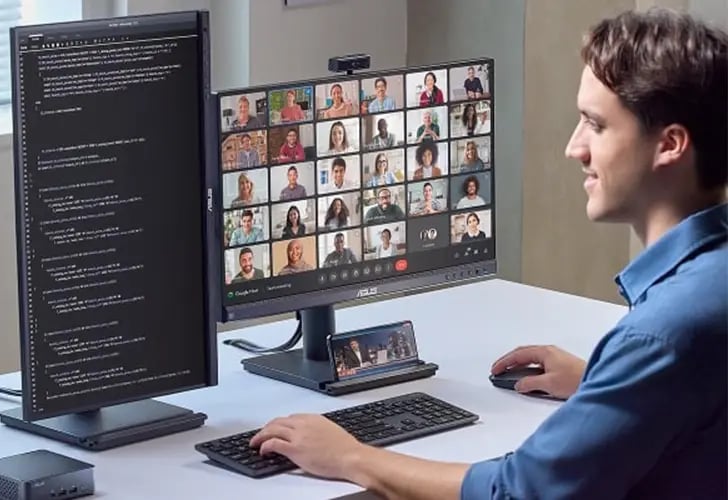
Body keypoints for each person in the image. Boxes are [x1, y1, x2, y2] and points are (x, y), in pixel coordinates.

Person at [249, 9, 727, 499]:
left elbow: (518, 491)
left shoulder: (662, 335)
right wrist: (603, 385)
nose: (573, 148)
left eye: (595, 125)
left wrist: (350, 457)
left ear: (669, 145)